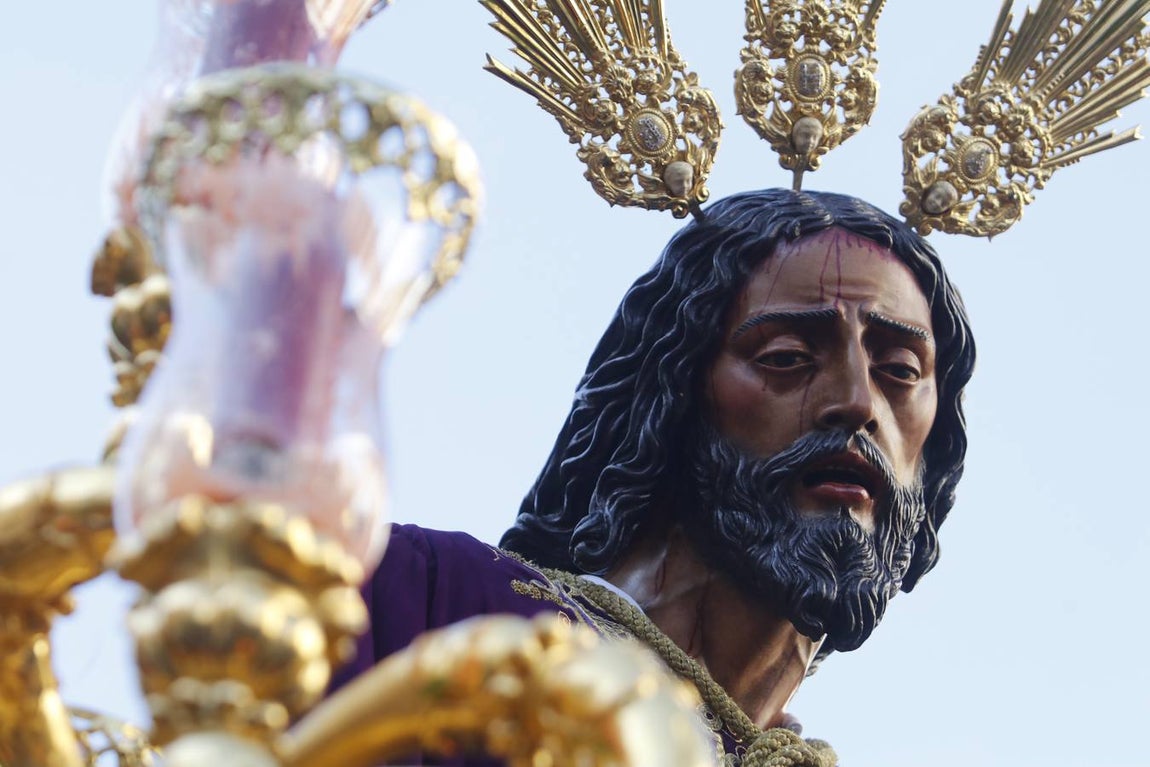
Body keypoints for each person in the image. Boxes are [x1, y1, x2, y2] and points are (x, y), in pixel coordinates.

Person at [337, 188, 976, 765]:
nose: (858, 403)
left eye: (900, 370)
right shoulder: (427, 600)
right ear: (672, 392)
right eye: (786, 357)